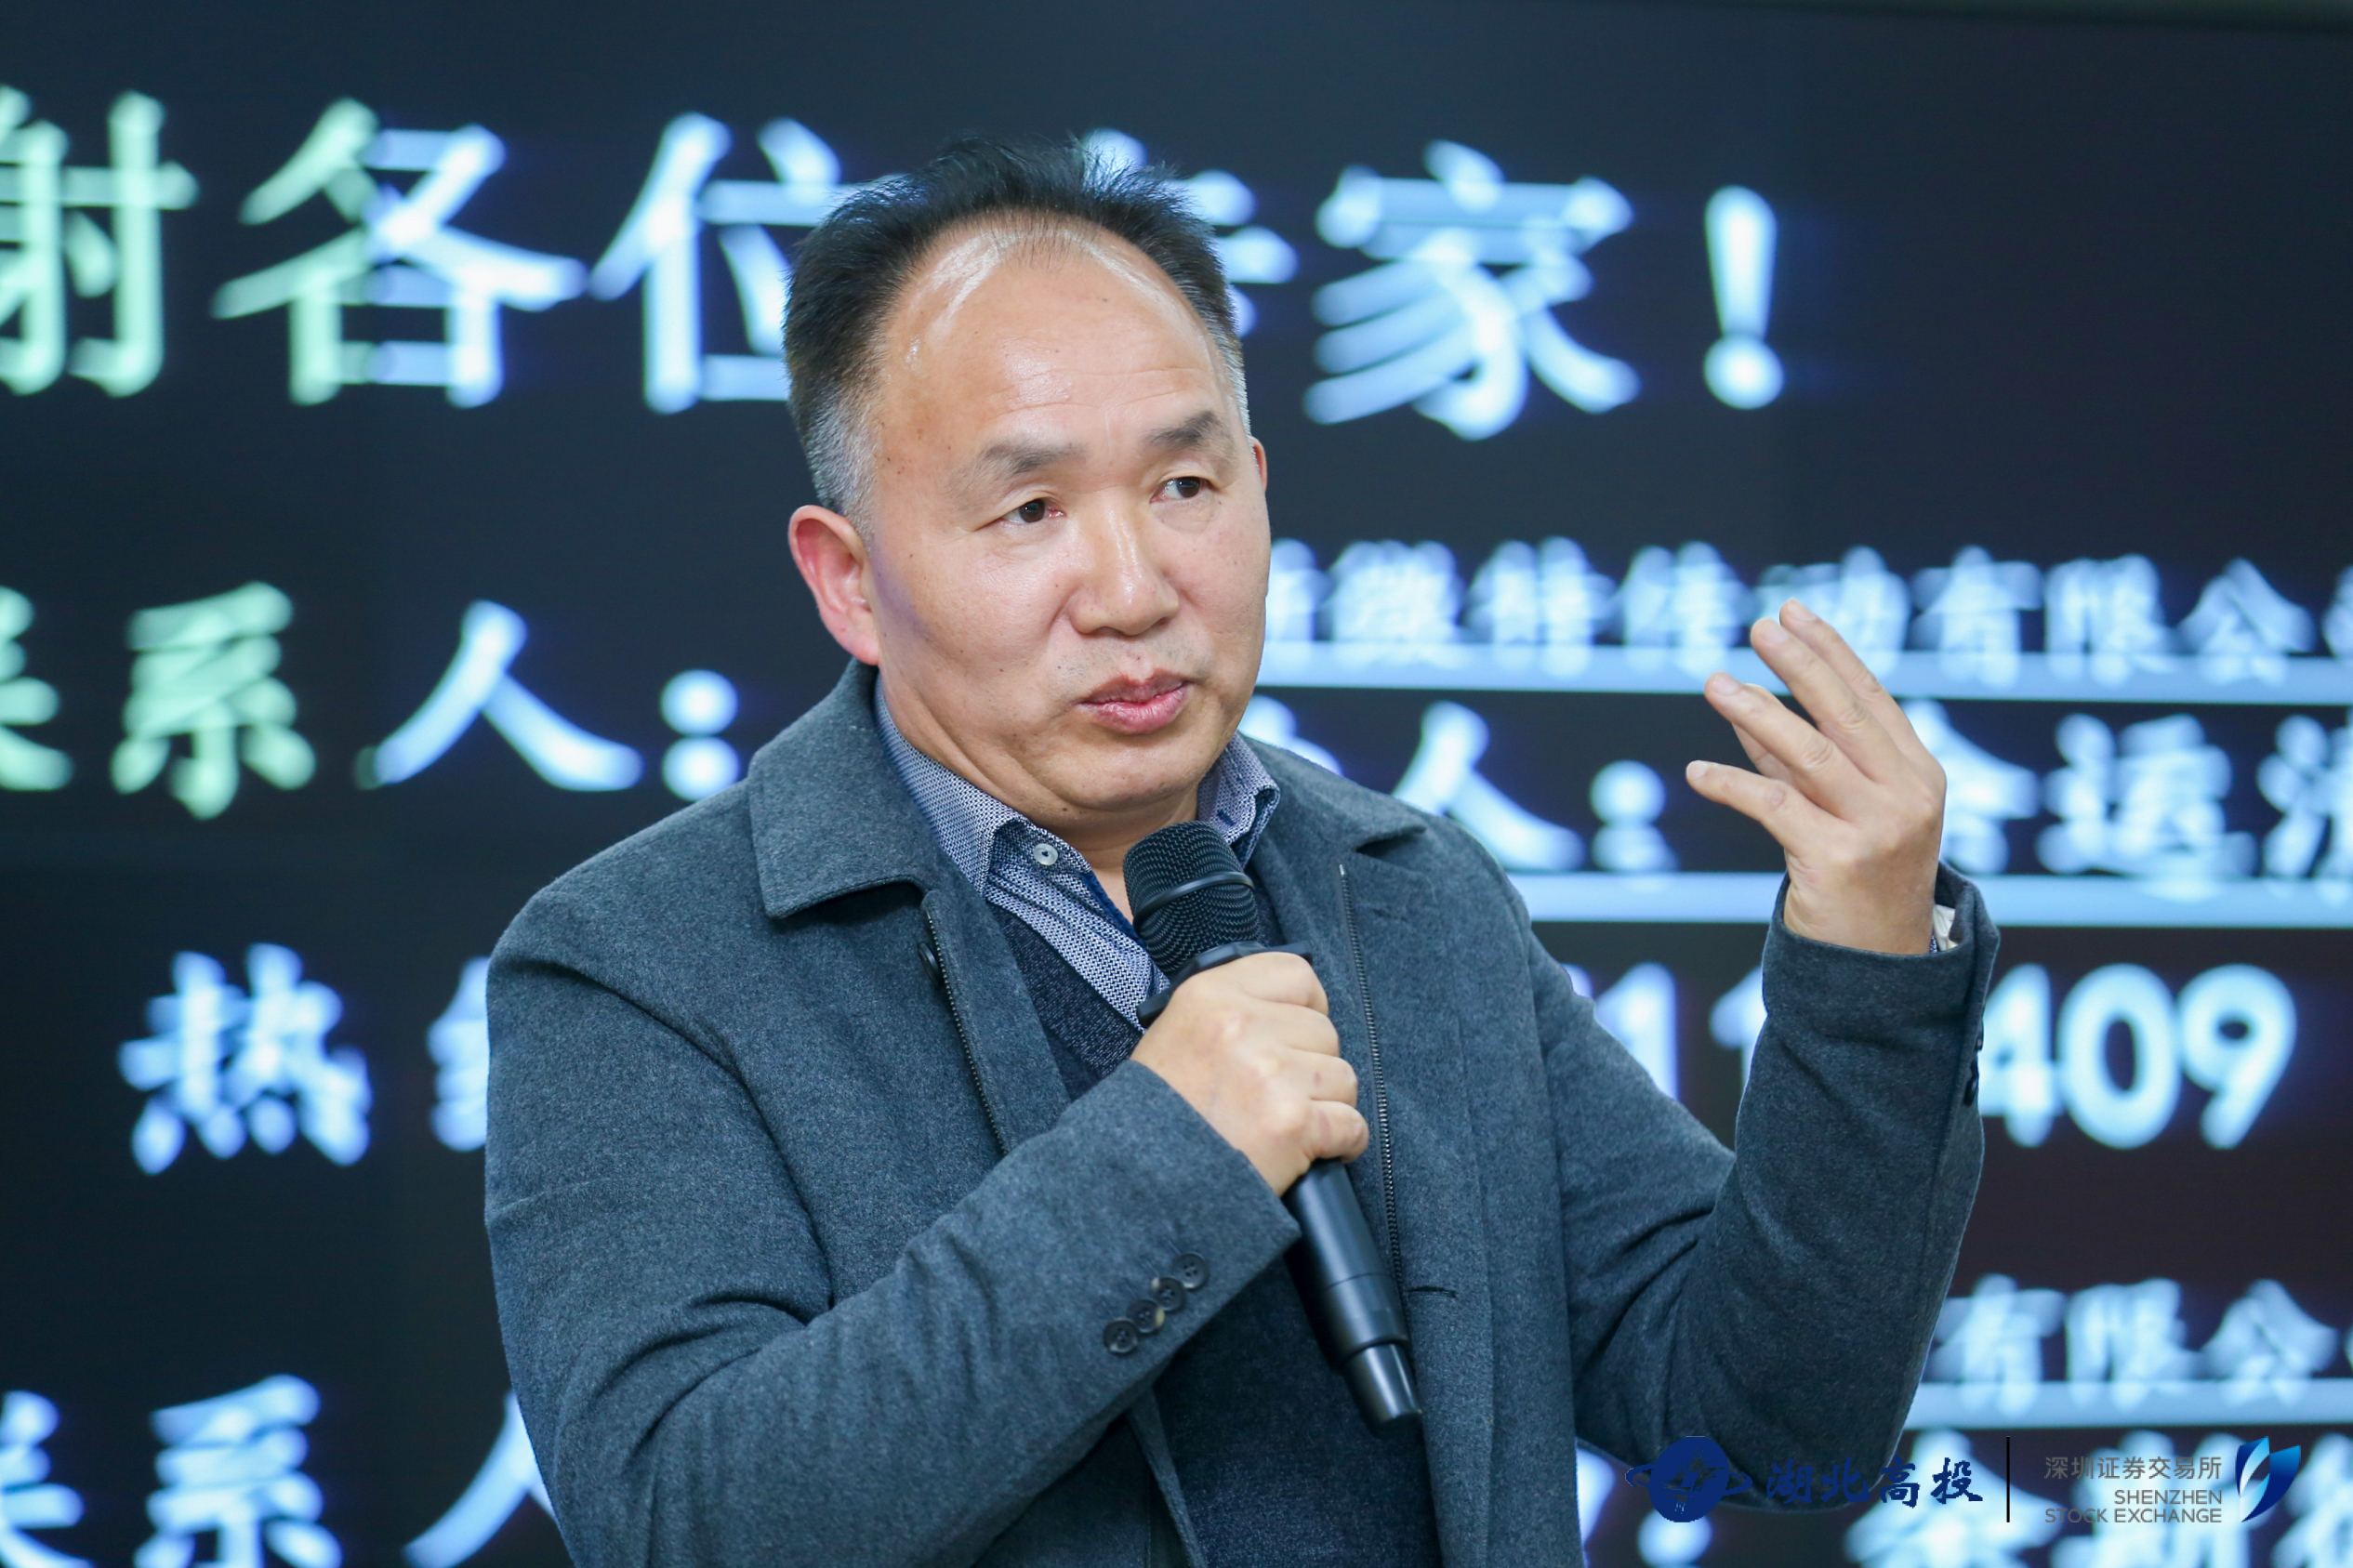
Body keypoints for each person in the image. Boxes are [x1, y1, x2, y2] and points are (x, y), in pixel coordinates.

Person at [484, 137, 1990, 1568]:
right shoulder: (638, 963)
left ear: (1261, 488)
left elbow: (1766, 1420)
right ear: (851, 580)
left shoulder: (1406, 890)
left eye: (1185, 488)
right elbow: (686, 1521)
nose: (1133, 588)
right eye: (1029, 508)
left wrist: (1868, 972)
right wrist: (1172, 1158)